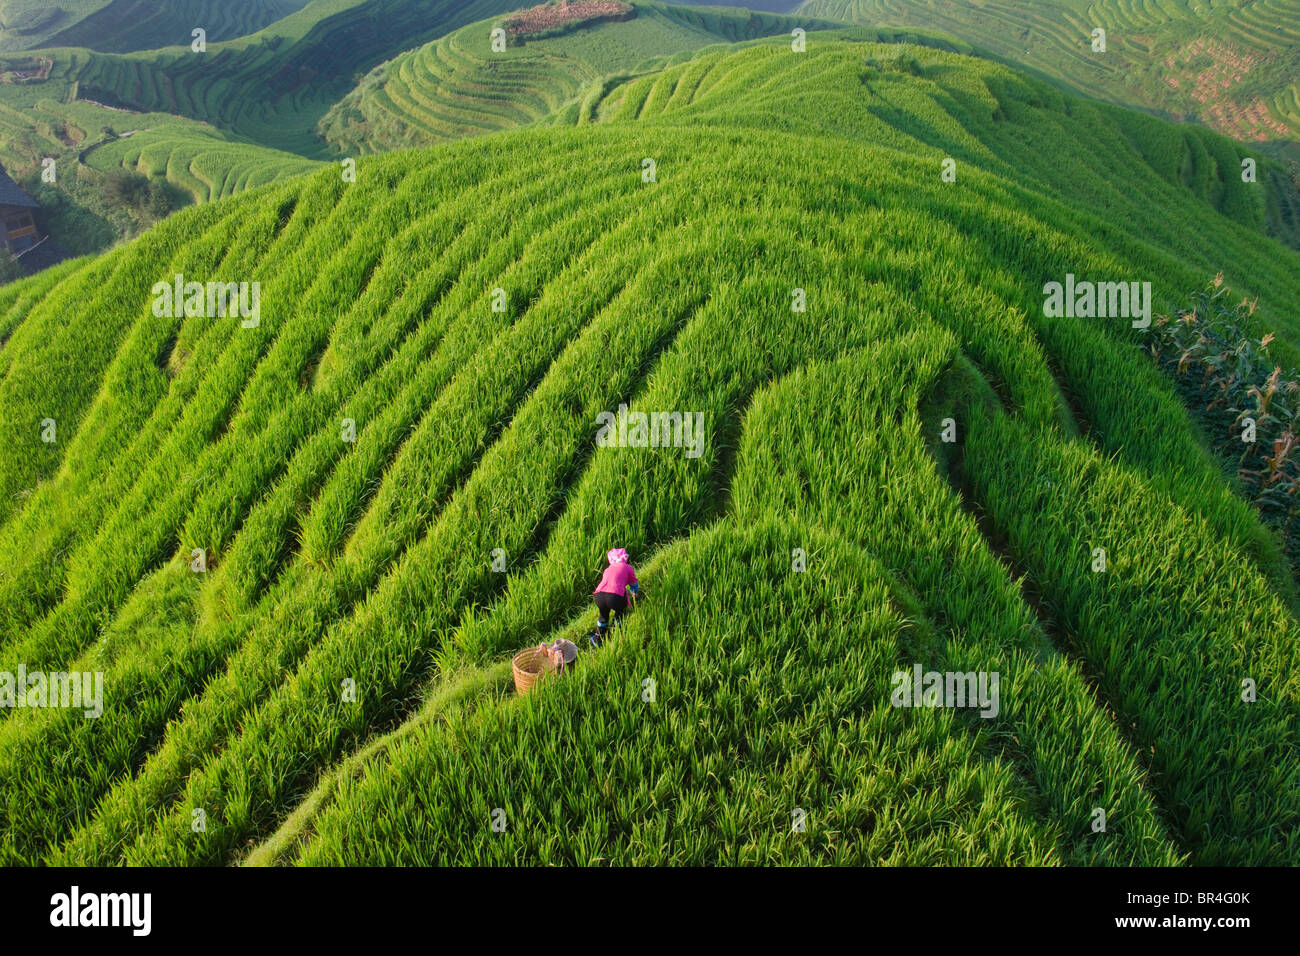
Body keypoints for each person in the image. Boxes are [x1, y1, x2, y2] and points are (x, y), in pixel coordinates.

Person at [591, 547, 640, 647]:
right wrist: (634, 593)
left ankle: (598, 638)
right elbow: (633, 583)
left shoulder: (608, 569)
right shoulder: (628, 567)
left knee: (603, 615)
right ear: (624, 558)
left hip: (599, 595)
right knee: (620, 612)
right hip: (614, 597)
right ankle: (615, 631)